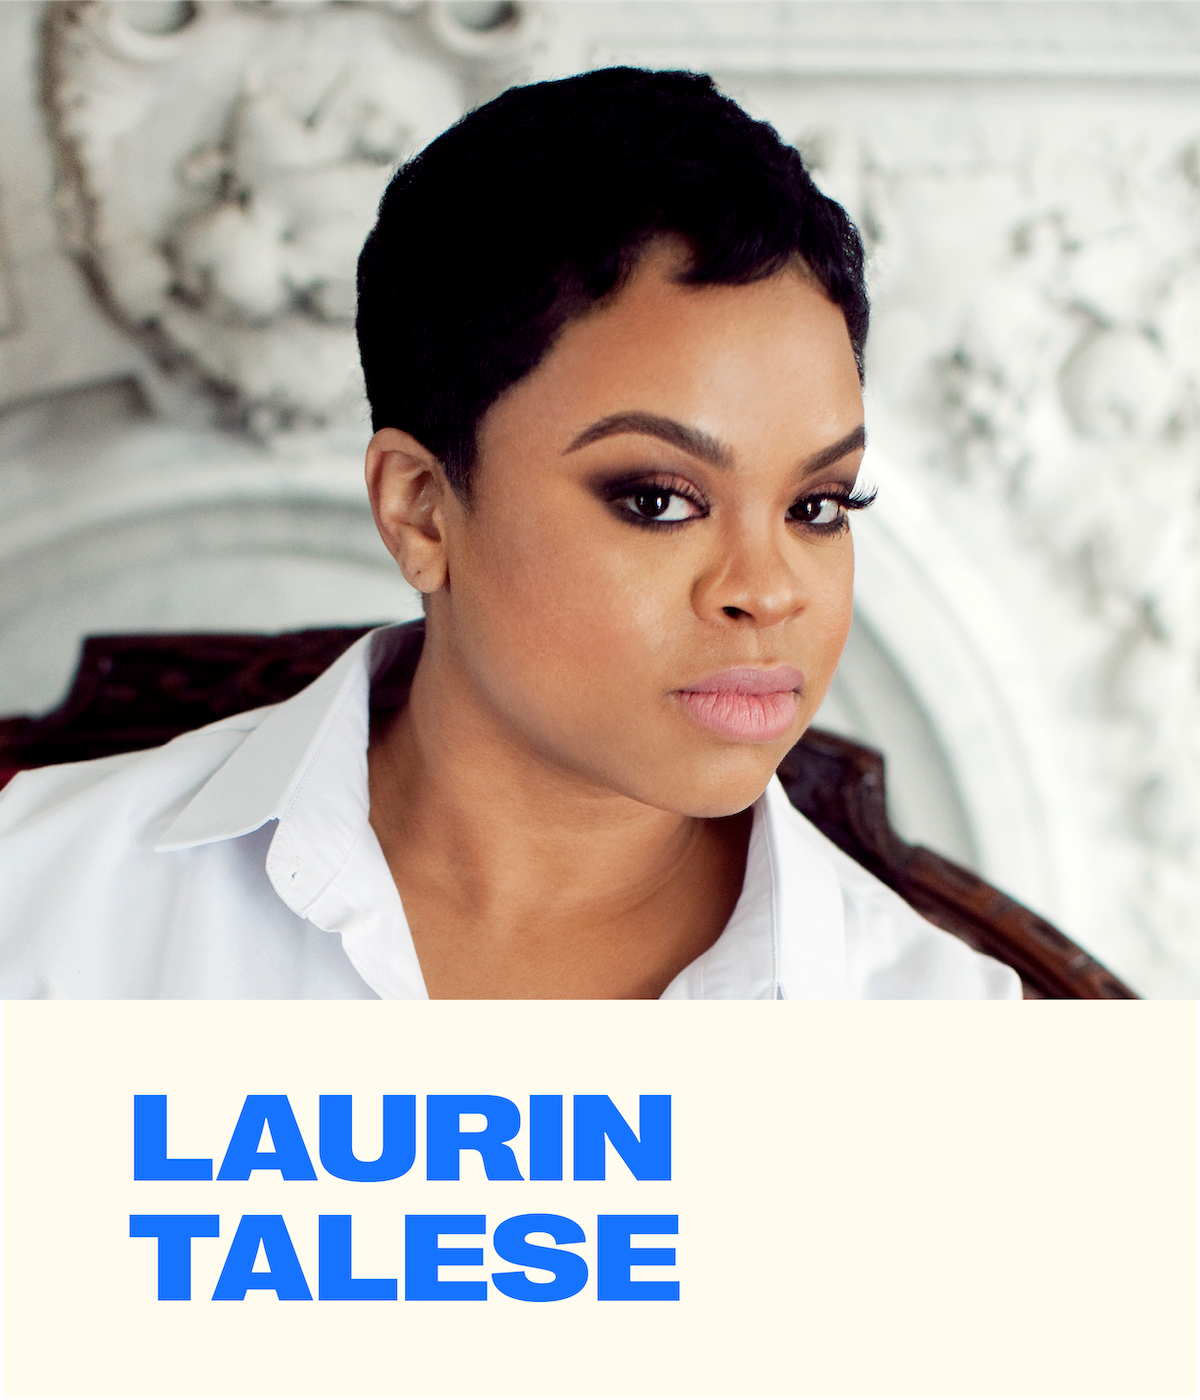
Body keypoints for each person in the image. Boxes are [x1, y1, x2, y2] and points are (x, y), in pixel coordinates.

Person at [0, 68, 1019, 999]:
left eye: (818, 505)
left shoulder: (944, 1041)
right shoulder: (42, 904)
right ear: (420, 507)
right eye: (660, 498)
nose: (769, 588)